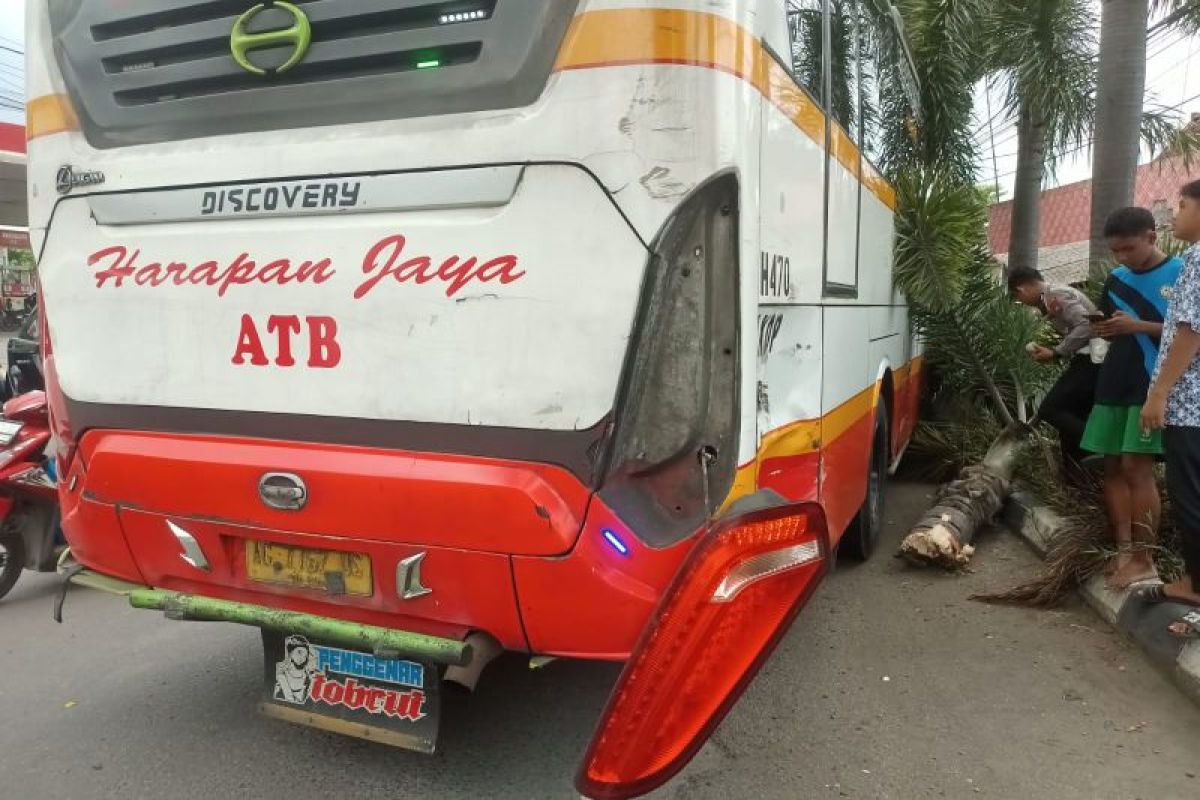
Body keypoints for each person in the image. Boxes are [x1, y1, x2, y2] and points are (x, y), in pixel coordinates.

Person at [1081, 207, 1182, 591]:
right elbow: (1113, 327)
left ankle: (1145, 557)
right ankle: (1123, 550)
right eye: (1116, 251)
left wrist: (1137, 325)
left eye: (1128, 248)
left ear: (1152, 237)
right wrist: (1107, 329)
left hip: (1151, 382)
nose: (1122, 258)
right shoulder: (1116, 278)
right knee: (1114, 469)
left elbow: (1189, 332)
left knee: (1138, 469)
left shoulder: (1182, 273)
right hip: (1114, 381)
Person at [1140, 180, 1200, 640]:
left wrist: (1159, 392)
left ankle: (1196, 588)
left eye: (1182, 206)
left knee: (1190, 498)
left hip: (1190, 406)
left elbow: (1190, 332)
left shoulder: (1198, 258)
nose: (1173, 214)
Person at [1008, 266, 1101, 482]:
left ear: (1022, 289)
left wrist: (1057, 352)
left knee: (1051, 408)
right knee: (1071, 413)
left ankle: (1100, 445)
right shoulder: (1051, 297)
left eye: (1018, 297)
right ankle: (1078, 475)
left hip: (1093, 359)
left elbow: (1087, 325)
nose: (1021, 301)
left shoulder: (1054, 295)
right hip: (1089, 358)